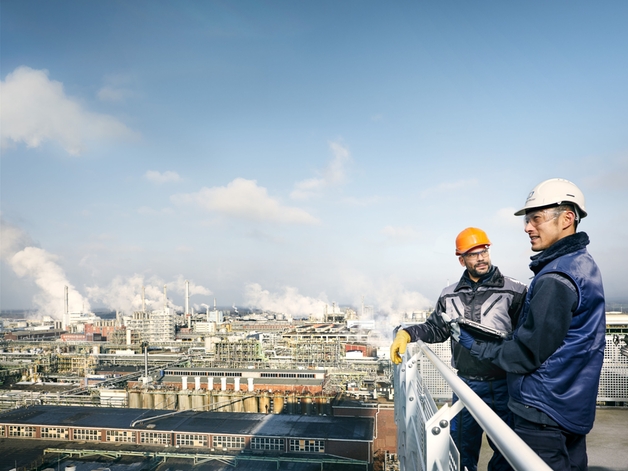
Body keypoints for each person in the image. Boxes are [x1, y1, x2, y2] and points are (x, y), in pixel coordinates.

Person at [457, 178, 605, 471]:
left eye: (536, 218)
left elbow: (527, 352)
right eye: (527, 219)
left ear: (567, 218)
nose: (527, 227)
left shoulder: (554, 278)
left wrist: (479, 347)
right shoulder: (581, 264)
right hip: (570, 402)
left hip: (543, 410)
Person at [390, 227, 527, 471]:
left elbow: (526, 338)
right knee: (461, 451)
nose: (481, 258)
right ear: (461, 259)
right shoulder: (449, 295)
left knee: (506, 453)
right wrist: (407, 333)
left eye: (484, 251)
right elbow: (437, 329)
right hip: (466, 385)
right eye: (473, 254)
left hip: (504, 383)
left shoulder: (515, 291)